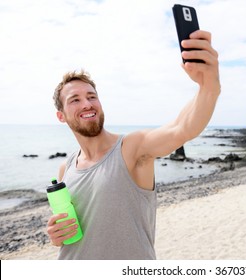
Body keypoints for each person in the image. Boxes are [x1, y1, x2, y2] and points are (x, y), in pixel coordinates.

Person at [46, 30, 220, 259]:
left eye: (91, 96)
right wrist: (56, 234)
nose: (87, 104)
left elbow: (181, 129)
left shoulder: (131, 148)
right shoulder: (65, 169)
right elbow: (77, 230)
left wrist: (209, 87)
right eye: (75, 100)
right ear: (61, 116)